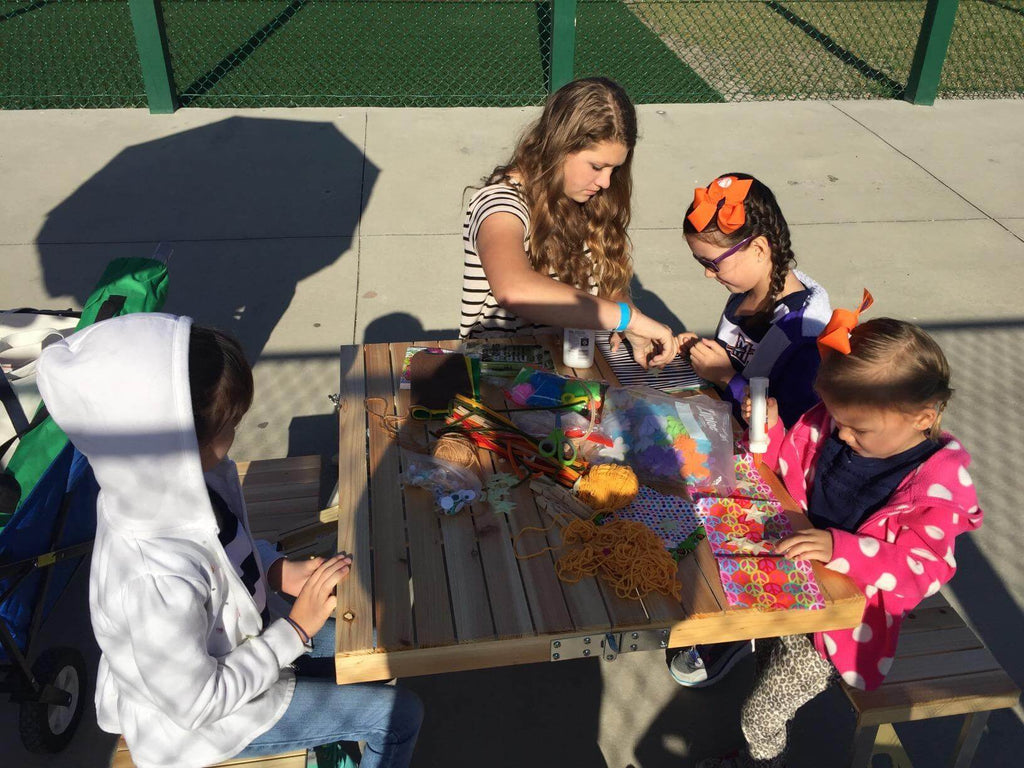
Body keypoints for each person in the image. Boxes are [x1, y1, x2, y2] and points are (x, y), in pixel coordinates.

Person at [36, 314, 423, 768]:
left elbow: (222, 555)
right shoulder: (151, 575)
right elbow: (199, 702)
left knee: (376, 646)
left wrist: (276, 569)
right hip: (203, 726)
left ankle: (334, 727)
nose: (236, 431)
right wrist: (296, 630)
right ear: (173, 441)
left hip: (249, 644)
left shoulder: (185, 482)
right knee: (399, 715)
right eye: (227, 424)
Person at [698, 308, 983, 768]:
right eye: (836, 419)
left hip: (842, 622)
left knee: (761, 713)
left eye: (858, 428)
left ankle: (760, 762)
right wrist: (768, 429)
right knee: (764, 657)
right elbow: (786, 476)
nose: (842, 435)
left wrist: (839, 548)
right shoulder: (832, 426)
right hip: (795, 581)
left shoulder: (936, 490)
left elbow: (921, 571)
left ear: (922, 417)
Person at [460, 76, 678, 368]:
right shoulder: (501, 205)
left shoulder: (587, 198)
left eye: (615, 168)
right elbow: (513, 288)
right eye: (597, 166)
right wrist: (630, 319)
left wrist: (627, 320)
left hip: (568, 369)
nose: (604, 182)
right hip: (500, 375)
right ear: (559, 147)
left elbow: (605, 284)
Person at [677, 173, 831, 428]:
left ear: (759, 249)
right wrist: (698, 353)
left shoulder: (804, 338)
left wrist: (725, 376)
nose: (707, 273)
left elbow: (792, 427)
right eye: (700, 262)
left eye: (712, 263)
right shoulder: (742, 295)